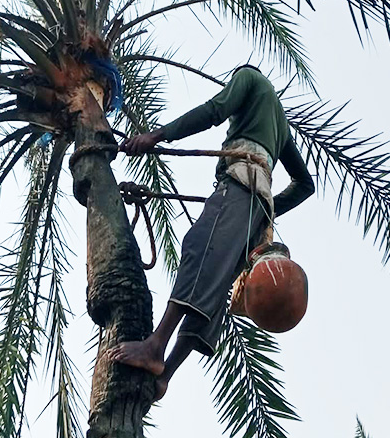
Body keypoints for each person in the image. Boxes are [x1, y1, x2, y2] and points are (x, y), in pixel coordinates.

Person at [112, 64, 315, 400]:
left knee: (198, 250)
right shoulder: (279, 120)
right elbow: (305, 185)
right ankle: (166, 374)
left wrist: (155, 136)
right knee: (217, 282)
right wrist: (267, 207)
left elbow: (215, 110)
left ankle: (155, 345)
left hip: (240, 183)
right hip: (257, 208)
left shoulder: (248, 78)